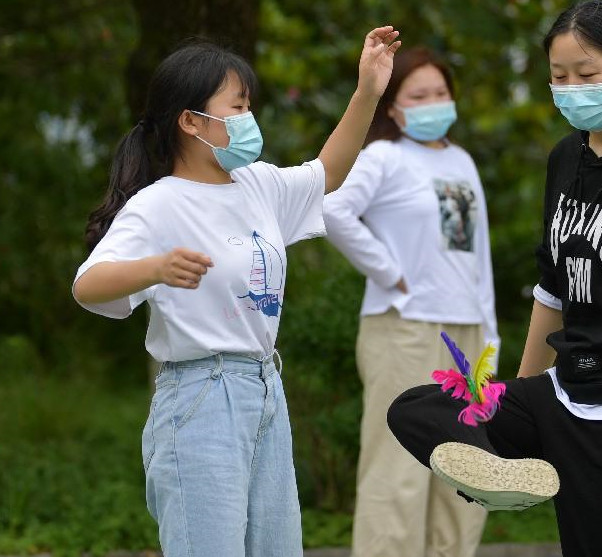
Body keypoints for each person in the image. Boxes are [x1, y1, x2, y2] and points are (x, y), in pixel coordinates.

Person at [386, 2, 602, 556]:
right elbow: (552, 290)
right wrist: (516, 399)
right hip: (561, 391)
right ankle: (508, 483)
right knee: (416, 408)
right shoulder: (565, 158)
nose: (571, 88)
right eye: (558, 77)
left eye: (587, 75)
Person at [72, 28, 400, 557]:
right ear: (191, 121)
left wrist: (367, 92)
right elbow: (88, 285)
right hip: (201, 394)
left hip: (266, 385)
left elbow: (327, 174)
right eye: (238, 105)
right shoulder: (159, 204)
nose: (250, 119)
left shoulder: (258, 184)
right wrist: (155, 267)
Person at [322, 46, 499, 557]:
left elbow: (477, 253)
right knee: (399, 467)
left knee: (470, 469)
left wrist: (490, 332)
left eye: (440, 93)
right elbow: (334, 211)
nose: (432, 103)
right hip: (403, 328)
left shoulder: (461, 160)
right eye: (417, 95)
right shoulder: (384, 156)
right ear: (394, 107)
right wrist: (389, 272)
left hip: (468, 333)